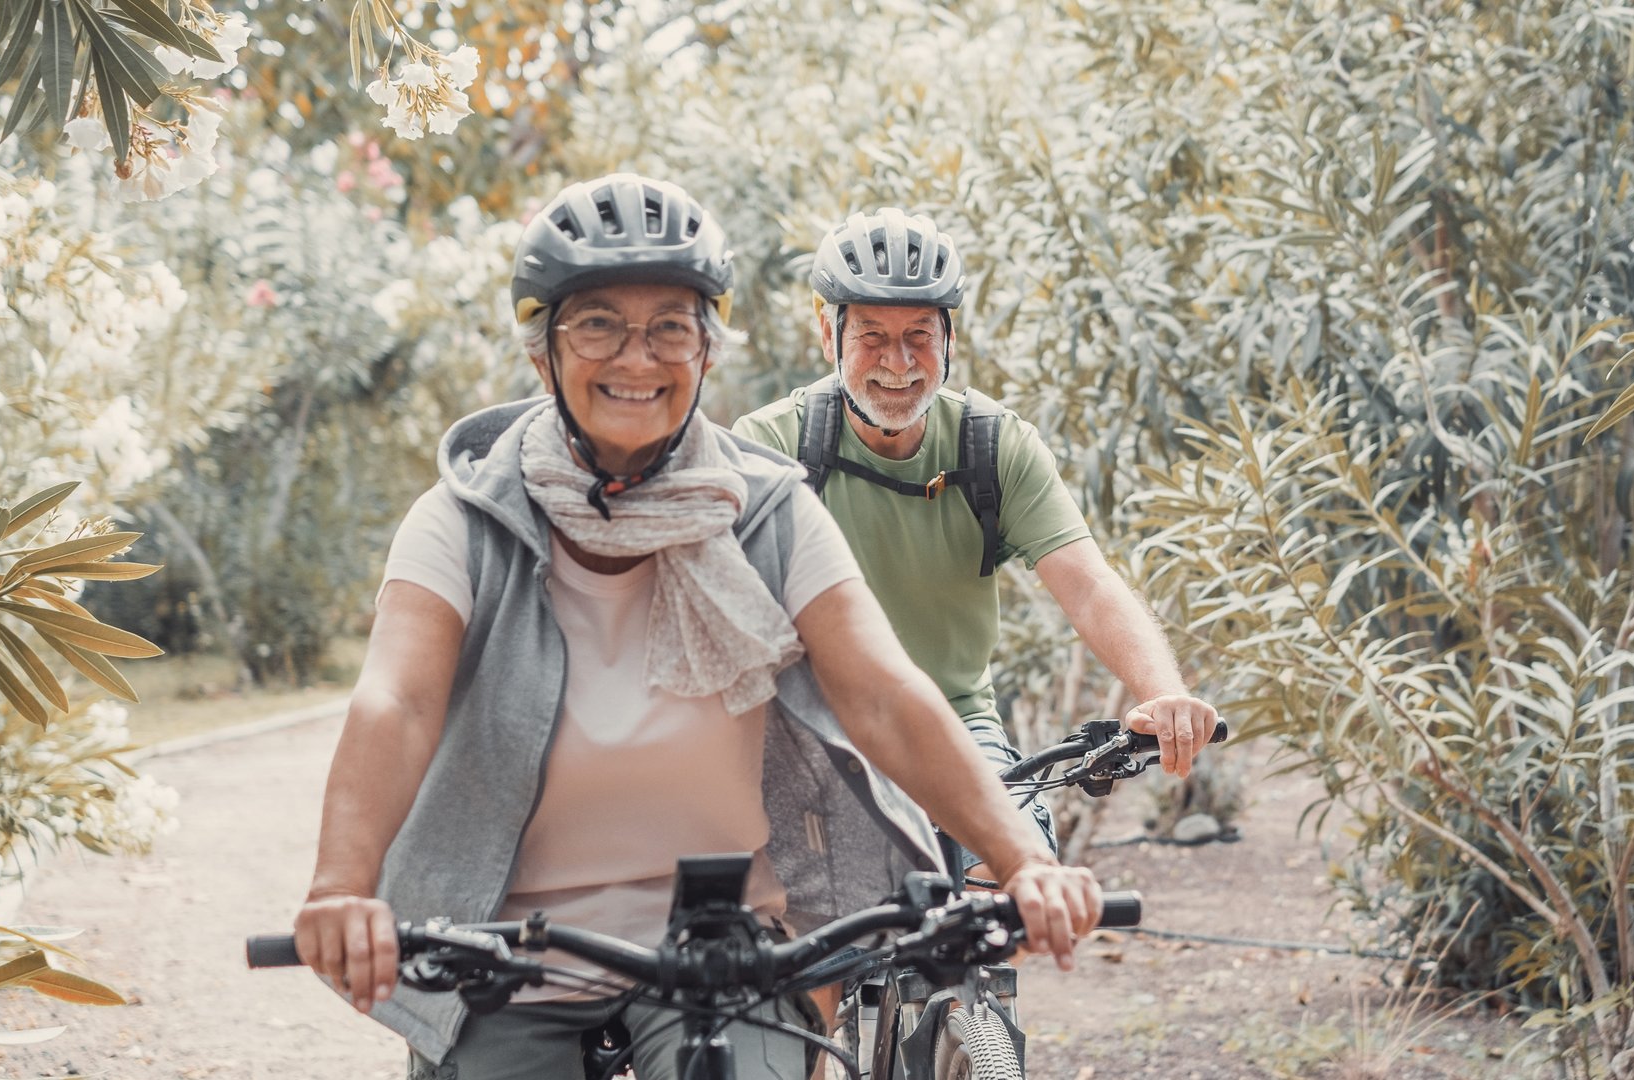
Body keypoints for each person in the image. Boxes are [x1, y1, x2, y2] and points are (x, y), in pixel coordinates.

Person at [290, 175, 1103, 1080]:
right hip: (505, 949)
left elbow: (882, 694)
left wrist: (1023, 859)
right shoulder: (467, 516)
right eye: (598, 323)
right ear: (542, 352)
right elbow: (397, 702)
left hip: (726, 947)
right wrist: (340, 888)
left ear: (707, 350)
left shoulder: (767, 512)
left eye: (670, 327)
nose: (637, 358)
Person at [733, 207, 1221, 871]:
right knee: (802, 933)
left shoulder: (991, 446)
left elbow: (1087, 582)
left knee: (1018, 881)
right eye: (872, 336)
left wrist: (1161, 693)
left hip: (958, 728)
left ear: (950, 340)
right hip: (812, 734)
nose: (899, 363)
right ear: (828, 333)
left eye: (920, 336)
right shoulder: (770, 447)